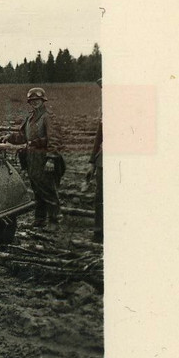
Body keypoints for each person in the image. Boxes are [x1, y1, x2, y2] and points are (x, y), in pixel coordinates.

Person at [1, 87, 63, 228]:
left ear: (43, 100)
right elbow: (23, 136)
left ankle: (54, 221)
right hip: (31, 158)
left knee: (48, 189)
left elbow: (54, 139)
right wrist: (9, 137)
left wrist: (51, 159)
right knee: (37, 189)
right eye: (32, 100)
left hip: (43, 157)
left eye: (37, 100)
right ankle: (40, 219)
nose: (35, 102)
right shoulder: (30, 118)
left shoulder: (48, 117)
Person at [85, 78, 103, 243]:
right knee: (100, 197)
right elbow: (99, 136)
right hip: (102, 160)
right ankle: (99, 233)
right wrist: (92, 162)